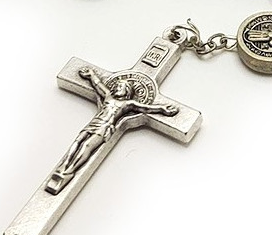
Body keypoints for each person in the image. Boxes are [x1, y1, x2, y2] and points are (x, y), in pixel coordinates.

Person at [45, 68, 179, 194]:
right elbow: (98, 85)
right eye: (117, 86)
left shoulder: (128, 104)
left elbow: (145, 108)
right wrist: (91, 75)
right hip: (94, 123)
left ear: (127, 91)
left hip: (105, 127)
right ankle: (64, 166)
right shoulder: (109, 97)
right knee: (77, 141)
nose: (117, 88)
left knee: (87, 146)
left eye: (121, 87)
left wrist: (162, 109)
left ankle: (70, 171)